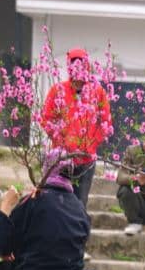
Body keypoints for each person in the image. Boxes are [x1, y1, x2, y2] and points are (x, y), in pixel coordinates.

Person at [41, 47, 111, 209]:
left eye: (81, 63)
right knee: (59, 201)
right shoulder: (57, 90)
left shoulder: (98, 91)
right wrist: (60, 141)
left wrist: (91, 144)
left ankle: (79, 234)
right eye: (74, 64)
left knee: (80, 203)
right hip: (62, 158)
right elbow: (46, 118)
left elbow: (106, 122)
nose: (78, 68)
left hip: (87, 158)